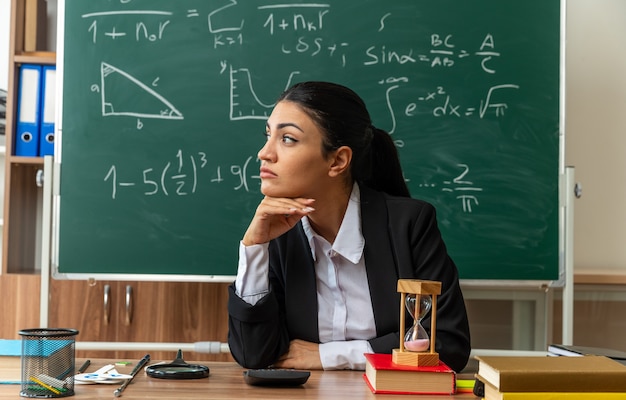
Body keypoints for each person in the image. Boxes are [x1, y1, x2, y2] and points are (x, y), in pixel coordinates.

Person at [227, 81, 471, 372]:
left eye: (288, 139)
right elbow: (255, 356)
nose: (264, 153)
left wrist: (328, 356)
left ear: (338, 160)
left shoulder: (409, 225)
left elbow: (448, 345)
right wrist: (254, 249)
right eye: (268, 135)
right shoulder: (277, 235)